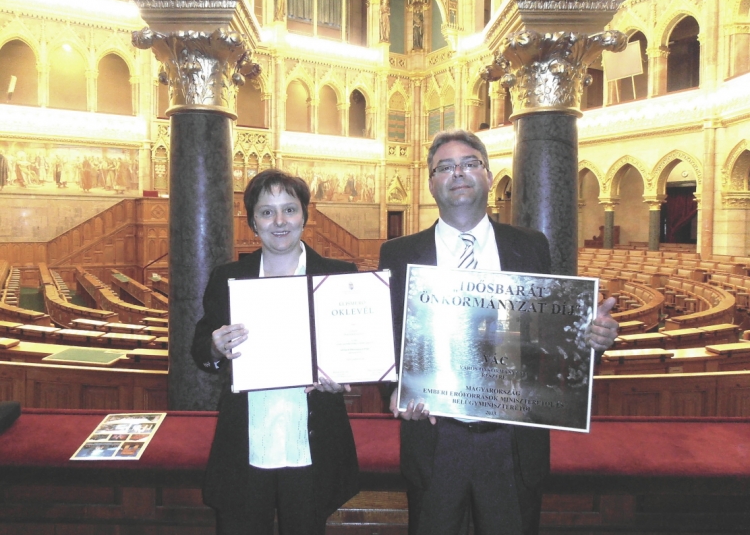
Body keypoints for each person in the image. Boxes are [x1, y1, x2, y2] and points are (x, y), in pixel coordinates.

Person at [378, 129, 619, 535]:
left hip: (512, 440)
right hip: (436, 435)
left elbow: (551, 336)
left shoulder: (530, 246)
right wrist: (396, 393)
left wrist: (592, 339)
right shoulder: (399, 253)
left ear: (489, 176)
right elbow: (385, 336)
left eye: (470, 163)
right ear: (431, 182)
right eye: (445, 167)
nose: (459, 173)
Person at [192, 169, 359, 535]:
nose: (279, 221)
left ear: (304, 216)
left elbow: (353, 350)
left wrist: (342, 379)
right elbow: (201, 347)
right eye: (267, 212)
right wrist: (215, 346)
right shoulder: (229, 277)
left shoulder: (338, 276)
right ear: (253, 221)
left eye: (289, 209)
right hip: (248, 438)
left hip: (310, 439)